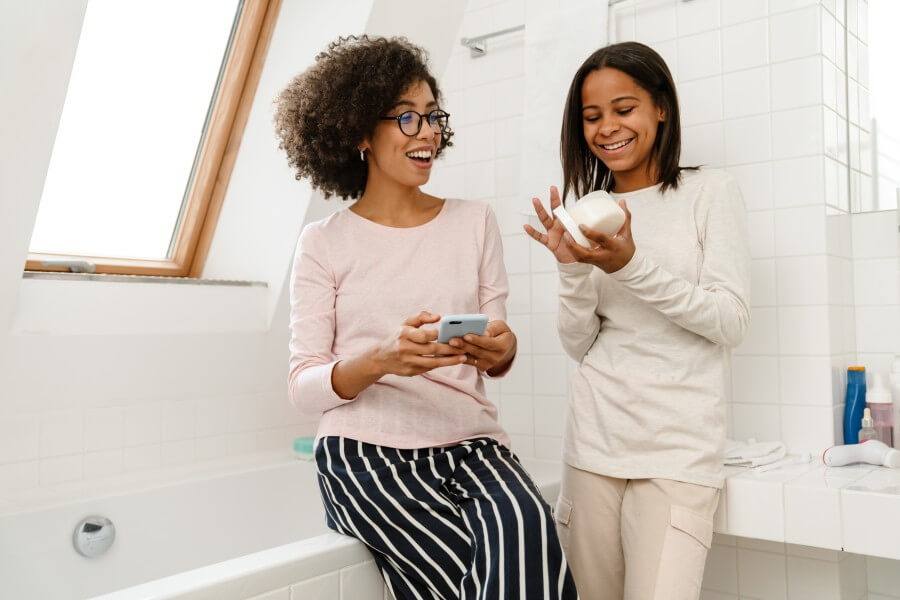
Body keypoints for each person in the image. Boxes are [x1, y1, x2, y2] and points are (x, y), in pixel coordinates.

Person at [275, 35, 577, 600]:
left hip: (476, 446)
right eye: (407, 118)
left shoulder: (475, 222)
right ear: (361, 131)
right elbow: (303, 386)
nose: (428, 133)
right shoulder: (323, 243)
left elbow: (500, 342)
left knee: (534, 545)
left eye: (433, 116)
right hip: (367, 457)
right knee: (466, 581)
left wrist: (501, 349)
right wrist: (383, 359)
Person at [524, 41, 751, 600]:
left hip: (676, 454)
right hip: (593, 447)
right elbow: (580, 344)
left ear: (661, 108)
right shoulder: (587, 209)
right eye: (592, 116)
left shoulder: (708, 192)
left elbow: (729, 320)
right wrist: (571, 267)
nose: (607, 128)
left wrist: (631, 266)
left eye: (624, 109)